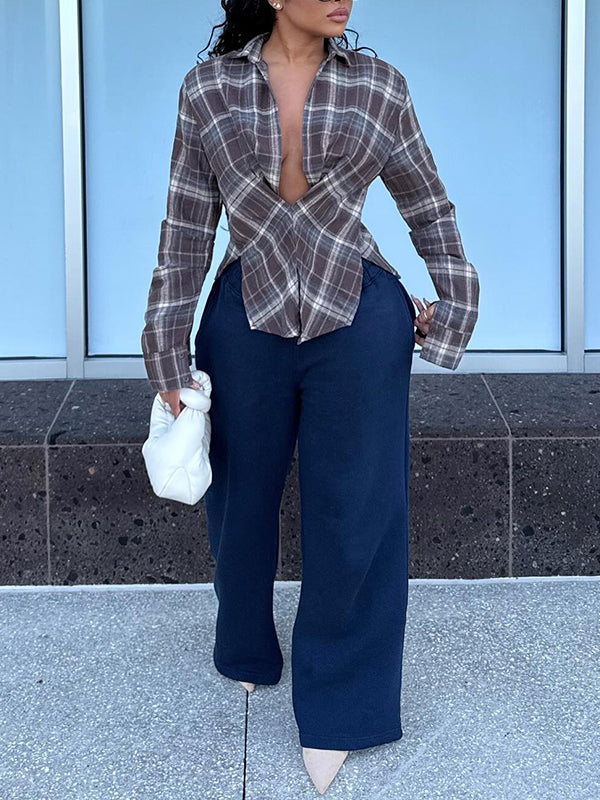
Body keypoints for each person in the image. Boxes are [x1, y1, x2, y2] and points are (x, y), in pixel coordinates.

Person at [141, 0, 480, 793]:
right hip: (243, 316)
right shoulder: (208, 89)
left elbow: (425, 202)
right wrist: (166, 353)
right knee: (239, 499)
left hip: (359, 314)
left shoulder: (379, 86)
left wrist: (453, 304)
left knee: (359, 509)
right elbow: (186, 228)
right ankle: (244, 643)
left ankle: (343, 707)